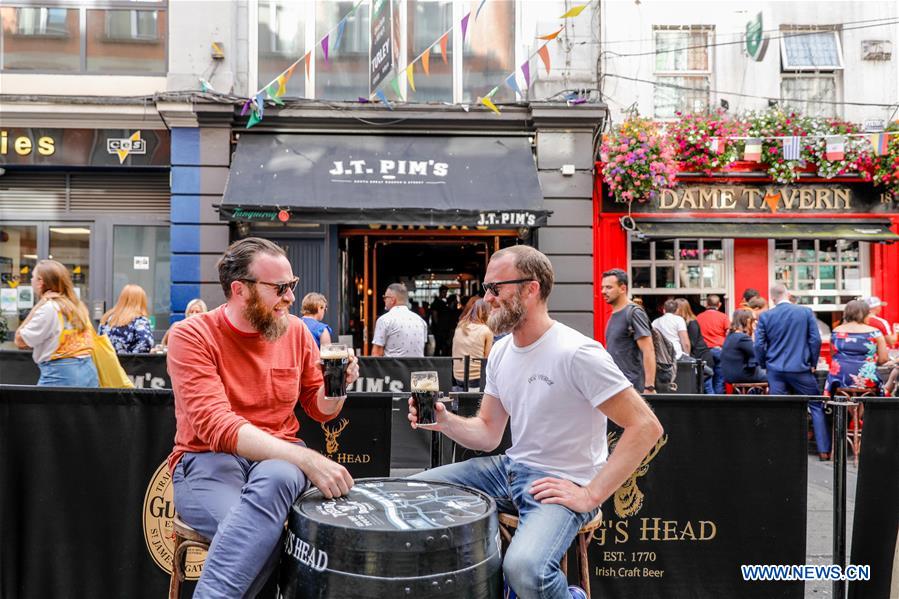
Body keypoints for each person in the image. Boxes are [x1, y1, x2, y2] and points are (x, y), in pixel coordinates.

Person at [409, 245, 664, 599]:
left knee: (525, 570)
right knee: (409, 495)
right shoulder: (500, 351)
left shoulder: (577, 352)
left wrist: (590, 493)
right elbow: (487, 432)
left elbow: (646, 427)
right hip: (508, 469)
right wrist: (445, 421)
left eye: (495, 288)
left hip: (561, 479)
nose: (486, 299)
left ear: (531, 288)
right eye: (485, 289)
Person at [166, 237, 359, 597]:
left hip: (277, 464)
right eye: (280, 288)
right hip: (207, 460)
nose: (290, 297)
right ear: (239, 290)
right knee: (257, 535)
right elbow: (217, 428)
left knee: (278, 480)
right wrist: (306, 457)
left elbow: (320, 409)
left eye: (292, 286)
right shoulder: (192, 335)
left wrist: (338, 387)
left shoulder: (297, 331)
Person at [754, 284, 826, 459]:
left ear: (772, 298)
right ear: (787, 294)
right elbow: (815, 340)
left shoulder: (766, 316)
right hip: (800, 368)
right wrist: (812, 362)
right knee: (816, 405)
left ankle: (777, 447)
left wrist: (764, 363)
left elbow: (758, 345)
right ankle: (824, 450)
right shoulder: (805, 312)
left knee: (777, 407)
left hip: (775, 369)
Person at [14, 259, 99, 387]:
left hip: (60, 375)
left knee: (43, 407)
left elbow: (19, 340)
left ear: (40, 282)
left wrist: (37, 307)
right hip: (88, 372)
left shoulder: (49, 308)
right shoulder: (78, 306)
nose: (31, 280)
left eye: (33, 277)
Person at [601, 269, 656, 393]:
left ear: (623, 288)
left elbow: (648, 349)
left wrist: (649, 387)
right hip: (616, 384)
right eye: (603, 287)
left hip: (632, 386)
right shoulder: (614, 314)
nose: (603, 291)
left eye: (609, 287)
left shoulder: (634, 313)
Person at [826, 300, 889, 395]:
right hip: (867, 377)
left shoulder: (836, 331)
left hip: (840, 377)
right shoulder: (875, 333)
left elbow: (833, 355)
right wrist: (871, 362)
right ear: (864, 314)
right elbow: (883, 359)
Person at [371, 283, 428, 357]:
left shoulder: (384, 320)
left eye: (385, 297)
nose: (384, 300)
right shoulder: (421, 321)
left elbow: (376, 353)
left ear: (392, 300)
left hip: (392, 368)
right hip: (417, 368)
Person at [97, 284, 155, 354]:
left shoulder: (106, 319)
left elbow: (99, 343)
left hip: (108, 363)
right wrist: (132, 358)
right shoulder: (139, 320)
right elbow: (146, 342)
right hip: (128, 364)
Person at [451, 297, 493, 390]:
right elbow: (487, 359)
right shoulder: (486, 331)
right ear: (487, 312)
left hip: (457, 377)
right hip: (476, 379)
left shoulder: (460, 326)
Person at [675, 299, 715, 394]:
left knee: (706, 387)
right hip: (698, 358)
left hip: (702, 358)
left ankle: (714, 406)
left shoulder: (692, 323)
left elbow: (691, 344)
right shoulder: (686, 323)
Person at [721, 310, 766, 386]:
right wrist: (755, 333)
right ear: (748, 321)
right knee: (775, 376)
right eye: (753, 320)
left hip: (731, 375)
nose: (755, 323)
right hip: (742, 375)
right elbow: (757, 353)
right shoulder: (742, 338)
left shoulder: (731, 335)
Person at [696, 294, 730, 394]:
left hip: (705, 352)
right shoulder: (723, 317)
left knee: (707, 379)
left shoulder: (699, 317)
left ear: (706, 304)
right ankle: (720, 404)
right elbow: (728, 333)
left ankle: (710, 402)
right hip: (719, 350)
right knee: (720, 380)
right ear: (719, 304)